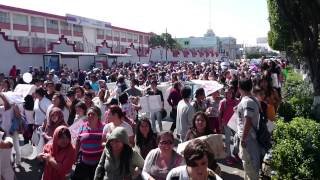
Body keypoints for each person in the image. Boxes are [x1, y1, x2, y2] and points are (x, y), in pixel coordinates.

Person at [236, 78, 261, 180]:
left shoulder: (248, 102)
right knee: (247, 165)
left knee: (249, 164)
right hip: (249, 137)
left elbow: (248, 120)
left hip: (248, 139)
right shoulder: (252, 99)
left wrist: (243, 138)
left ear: (239, 88)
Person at [72, 106, 104, 180]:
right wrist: (75, 156)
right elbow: (78, 142)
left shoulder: (104, 127)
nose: (90, 116)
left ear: (98, 116)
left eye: (93, 114)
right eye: (88, 114)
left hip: (98, 164)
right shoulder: (82, 127)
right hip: (84, 162)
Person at [218, 87, 239, 165]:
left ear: (232, 93)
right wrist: (220, 125)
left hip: (235, 123)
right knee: (227, 141)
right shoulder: (223, 102)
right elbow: (219, 115)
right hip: (226, 123)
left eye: (230, 92)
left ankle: (235, 152)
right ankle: (228, 156)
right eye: (227, 93)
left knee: (237, 139)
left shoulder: (236, 101)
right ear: (225, 93)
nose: (228, 94)